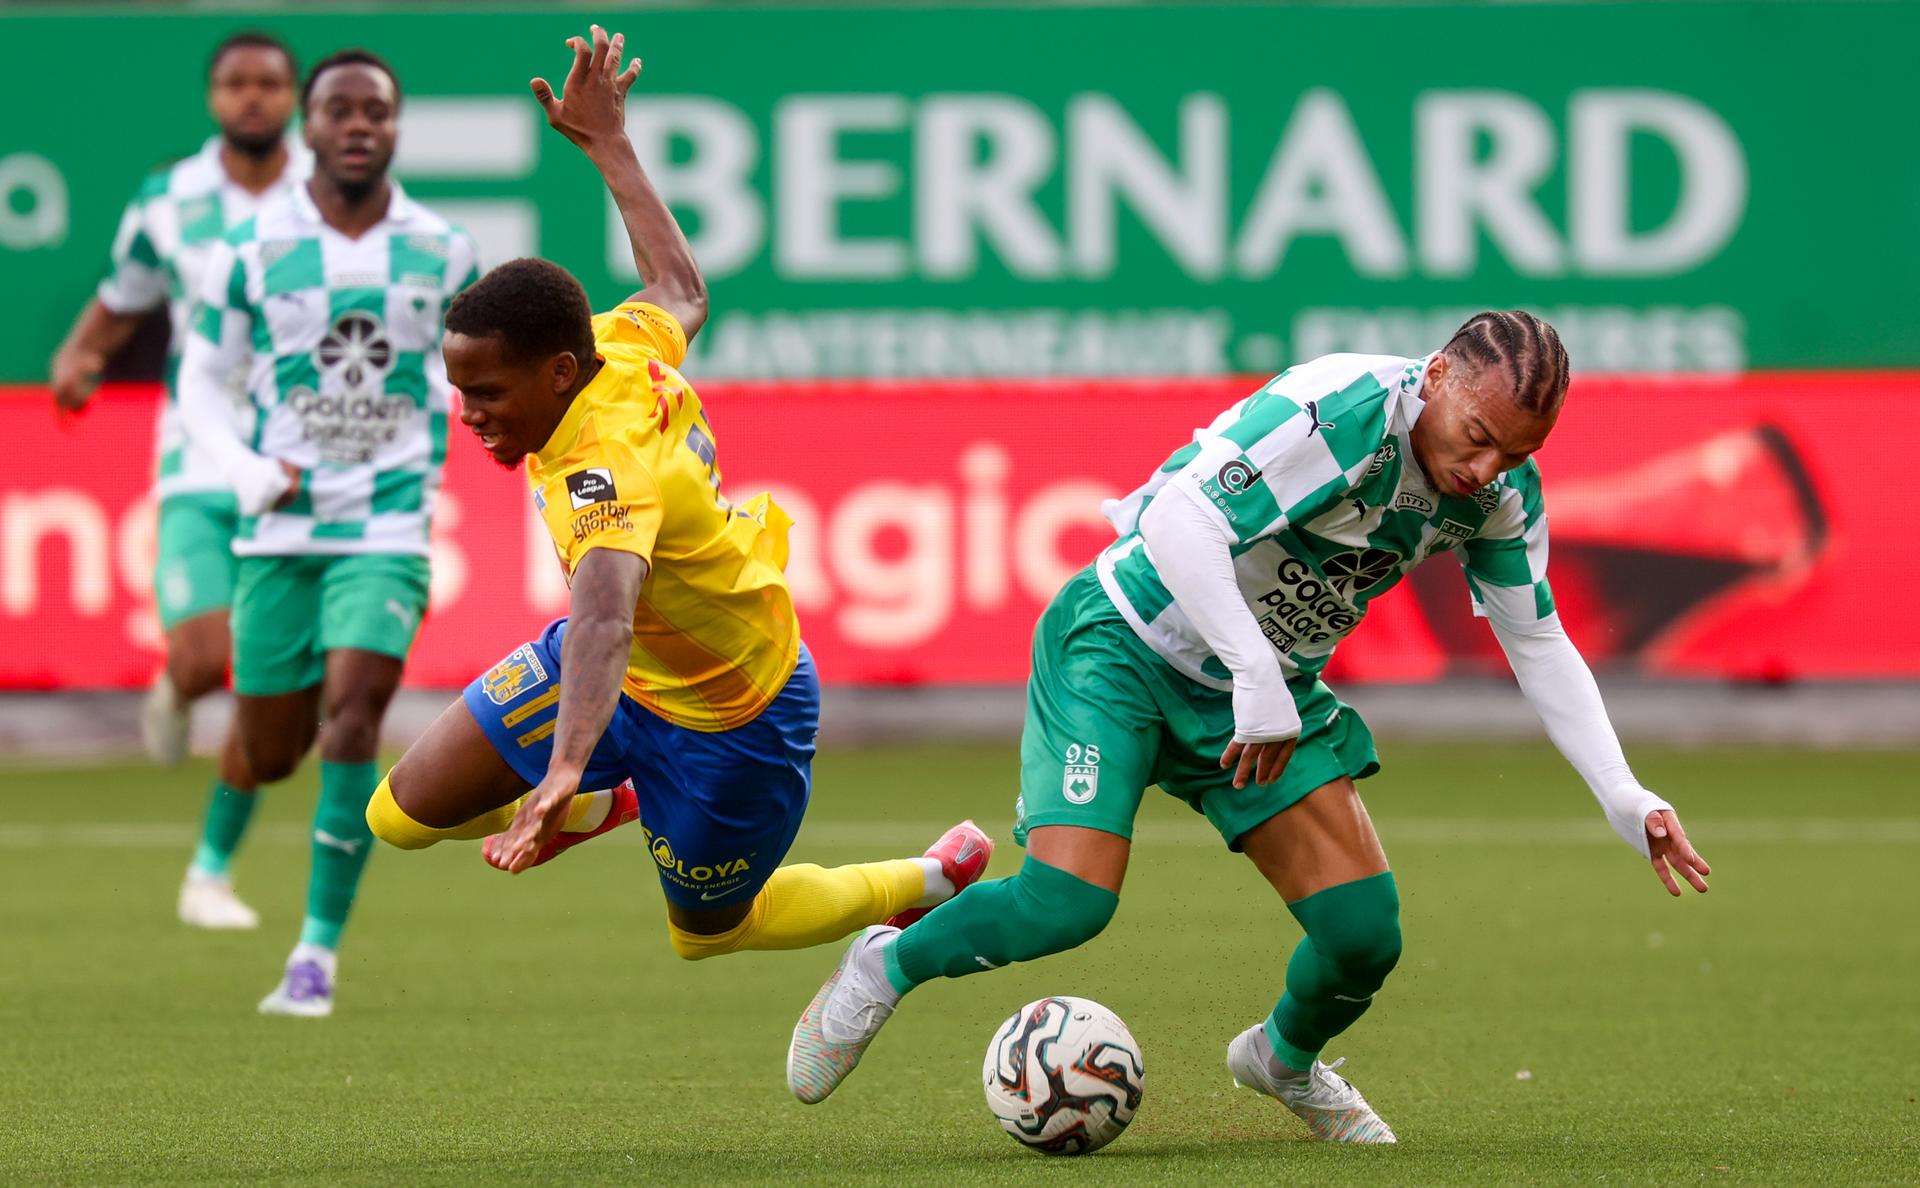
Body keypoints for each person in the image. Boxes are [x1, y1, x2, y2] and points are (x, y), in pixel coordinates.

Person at [786, 311, 1714, 1143]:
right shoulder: (1339, 412)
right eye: (1477, 437)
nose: (1485, 470)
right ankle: (883, 965)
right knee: (1066, 905)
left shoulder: (1499, 494)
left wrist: (1623, 793)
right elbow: (1182, 520)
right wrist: (1255, 672)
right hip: (1124, 647)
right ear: (1436, 377)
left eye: (1513, 454)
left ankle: (1281, 1061)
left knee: (1364, 937)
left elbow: (1539, 640)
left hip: (1263, 692)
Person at [362, 27, 990, 971]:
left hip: (732, 708)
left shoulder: (599, 469)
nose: (468, 414)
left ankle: (933, 876)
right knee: (400, 815)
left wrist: (562, 764)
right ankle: (605, 799)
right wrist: (609, 144)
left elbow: (607, 618)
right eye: (460, 390)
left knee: (709, 935)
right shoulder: (617, 345)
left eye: (486, 393)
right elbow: (680, 287)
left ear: (557, 373)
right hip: (615, 674)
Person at [178, 48, 480, 1017]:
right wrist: (244, 471)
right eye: (339, 111)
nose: (358, 125)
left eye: (376, 112)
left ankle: (314, 958)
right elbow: (200, 381)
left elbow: (472, 369)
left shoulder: (445, 250)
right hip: (277, 530)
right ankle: (214, 854)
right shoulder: (252, 247)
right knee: (272, 746)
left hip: (388, 521)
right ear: (308, 127)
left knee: (355, 708)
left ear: (395, 129)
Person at [48, 31, 309, 930]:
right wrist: (81, 354)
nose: (253, 98)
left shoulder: (331, 194)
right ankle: (174, 685)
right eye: (236, 84)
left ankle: (210, 871)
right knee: (204, 659)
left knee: (270, 692)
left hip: (301, 460)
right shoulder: (169, 198)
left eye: (269, 84)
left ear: (293, 98)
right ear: (213, 98)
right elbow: (123, 293)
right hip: (198, 455)